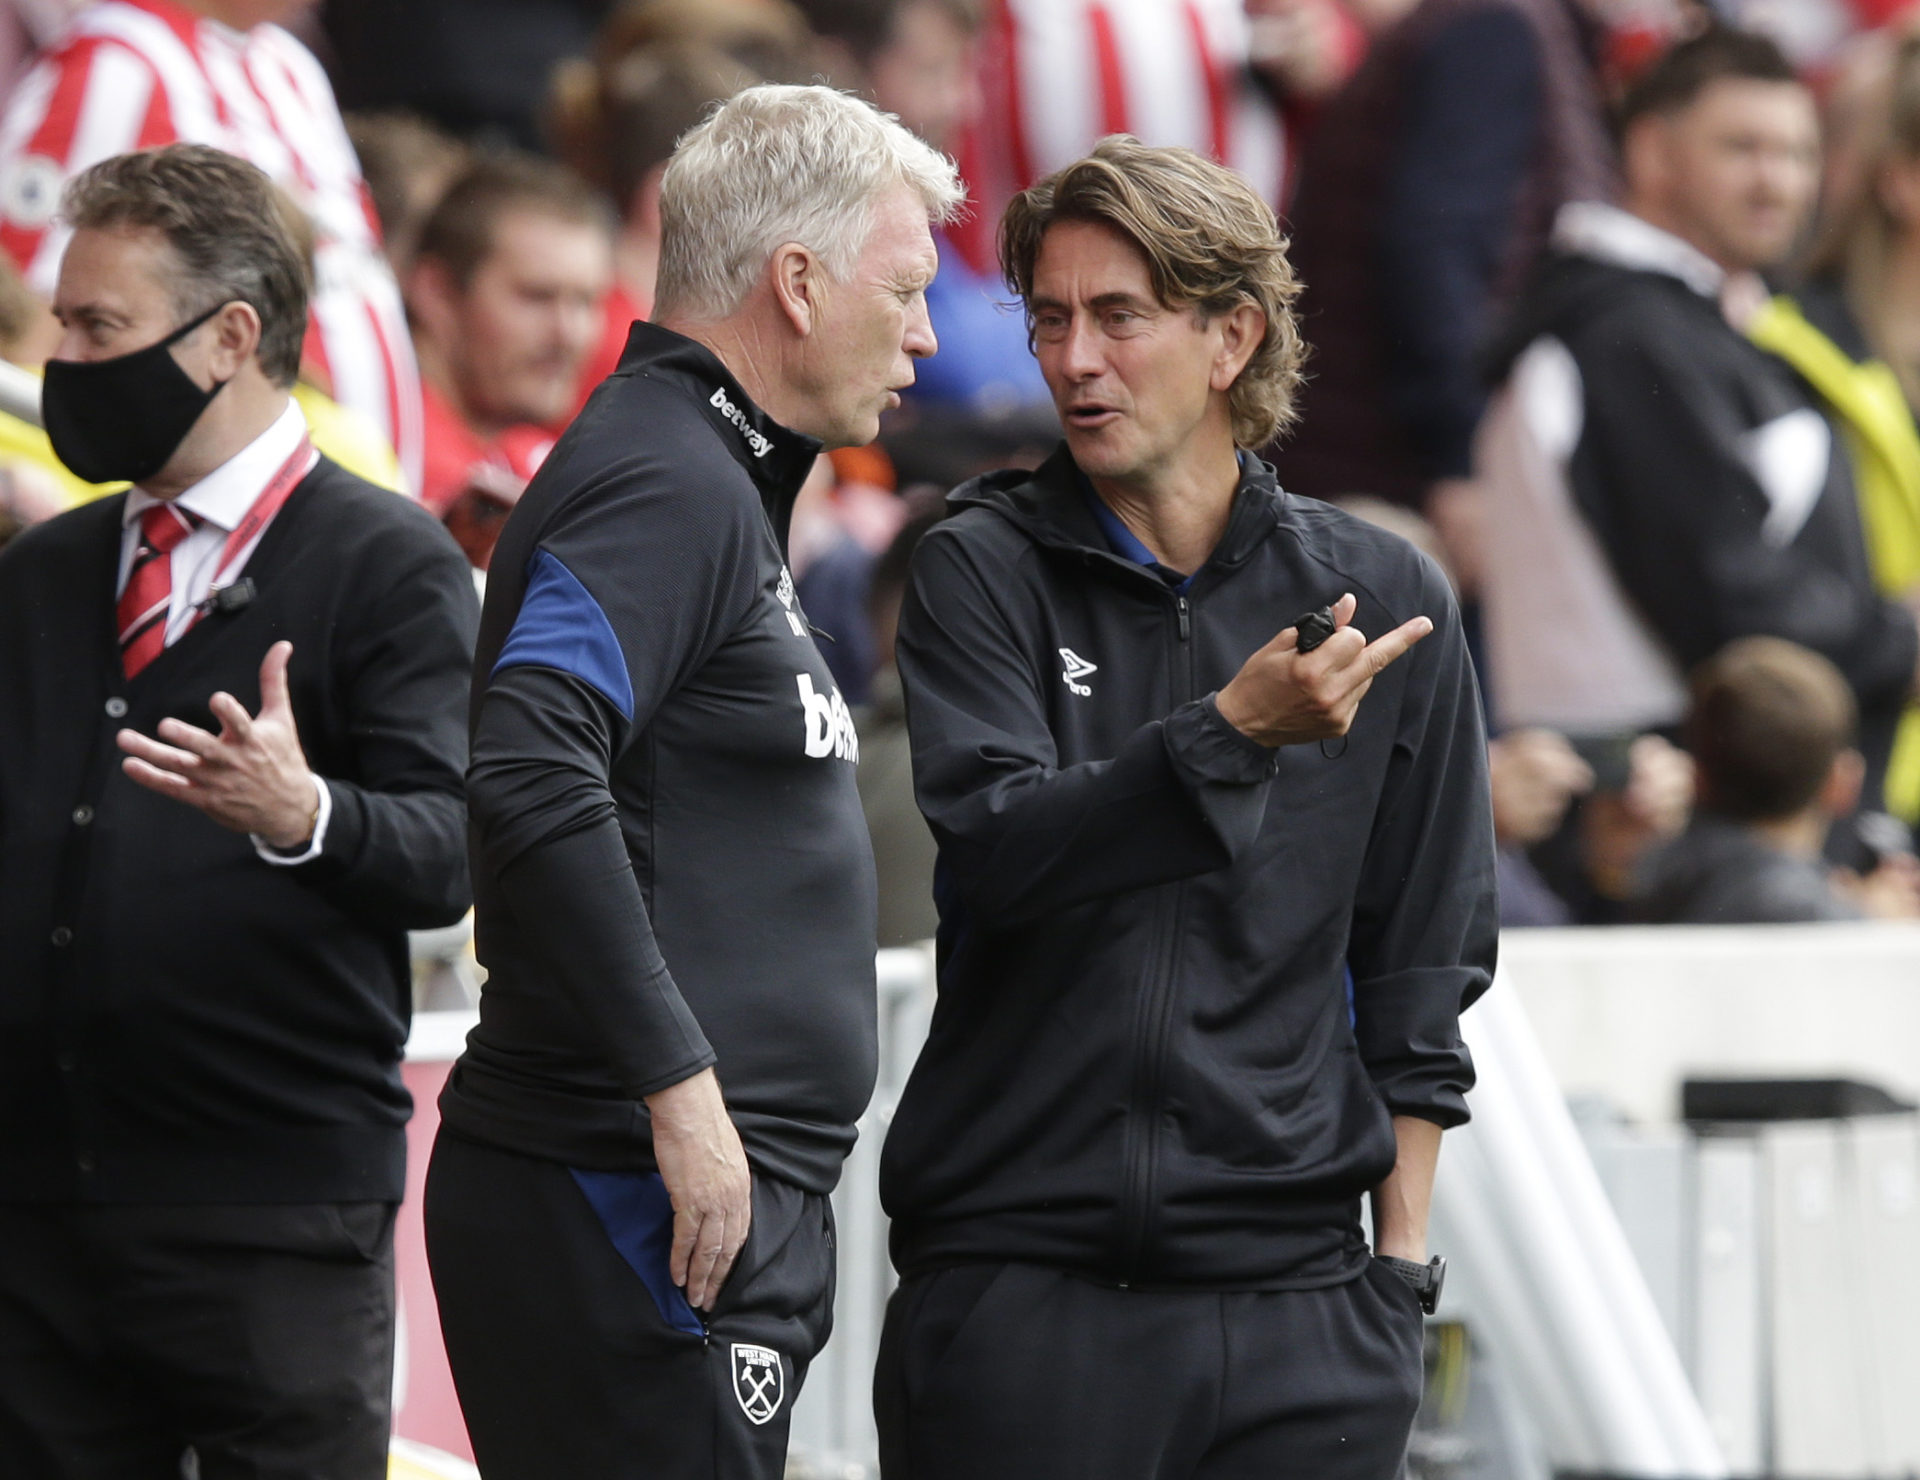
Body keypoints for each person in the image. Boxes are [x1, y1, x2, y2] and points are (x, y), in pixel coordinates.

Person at [875, 136, 1498, 1479]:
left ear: (1232, 339)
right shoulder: (977, 568)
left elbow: (1423, 967)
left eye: (1120, 317)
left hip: (1304, 1320)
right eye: (1050, 319)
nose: (1076, 361)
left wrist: (1395, 1278)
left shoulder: (1387, 597)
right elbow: (996, 856)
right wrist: (1227, 736)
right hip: (1019, 1297)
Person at [424, 84, 962, 1480]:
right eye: (902, 290)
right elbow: (533, 766)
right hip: (630, 1192)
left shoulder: (712, 477)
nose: (926, 336)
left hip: (685, 1199)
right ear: (796, 284)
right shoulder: (663, 476)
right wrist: (682, 1093)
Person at [0, 143, 477, 1479]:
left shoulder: (385, 564)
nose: (62, 357)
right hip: (40, 1217)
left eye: (100, 325)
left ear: (230, 338)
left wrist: (302, 810)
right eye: (62, 321)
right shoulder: (44, 574)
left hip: (268, 1213)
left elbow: (446, 856)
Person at [1477, 26, 1920, 815]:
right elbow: (1730, 603)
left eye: (1798, 154)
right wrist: (1899, 640)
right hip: (1648, 817)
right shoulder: (1627, 336)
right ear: (1650, 154)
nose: (1778, 182)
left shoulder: (1674, 322)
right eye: (1742, 148)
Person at [0, 0, 426, 492]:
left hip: (343, 498)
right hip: (175, 521)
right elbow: (26, 325)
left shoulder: (290, 66)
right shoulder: (117, 63)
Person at [1278, 0, 1614, 572]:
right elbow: (1434, 248)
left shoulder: (1470, 24)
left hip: (1367, 477)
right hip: (1401, 496)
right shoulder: (1490, 31)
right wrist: (1461, 460)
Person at [1632, 637, 1920, 922]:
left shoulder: (1643, 871)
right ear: (1843, 783)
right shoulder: (1813, 917)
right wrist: (1871, 929)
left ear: (1695, 773)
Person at [403, 151, 612, 540]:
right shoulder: (393, 455)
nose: (569, 334)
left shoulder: (534, 460)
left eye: (586, 301)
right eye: (537, 297)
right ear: (438, 294)